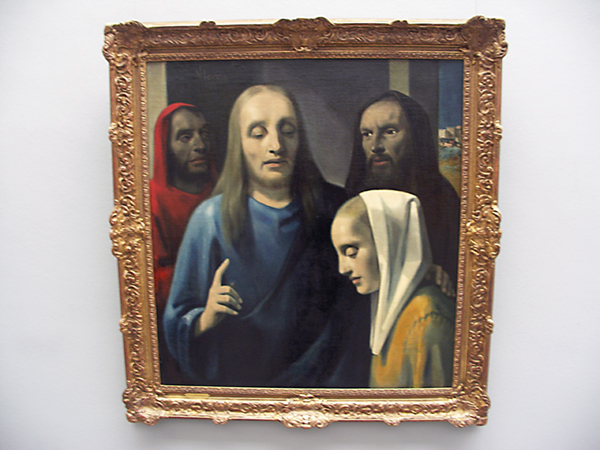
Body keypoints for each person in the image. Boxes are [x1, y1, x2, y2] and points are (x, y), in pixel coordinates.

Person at [163, 85, 369, 387]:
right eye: (258, 134)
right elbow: (176, 321)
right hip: (244, 388)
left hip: (327, 385)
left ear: (300, 139)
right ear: (239, 144)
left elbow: (366, 301)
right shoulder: (209, 220)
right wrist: (205, 318)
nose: (276, 145)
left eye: (287, 131)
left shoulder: (336, 209)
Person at [331, 190, 455, 388]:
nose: (342, 269)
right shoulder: (387, 310)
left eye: (352, 252)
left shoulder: (428, 319)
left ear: (388, 243)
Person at [346, 91, 460, 292]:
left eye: (390, 132)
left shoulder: (443, 198)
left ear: (415, 136)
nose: (375, 146)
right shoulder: (350, 201)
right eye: (367, 134)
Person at [150, 103, 218, 384]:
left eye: (204, 134)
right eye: (185, 137)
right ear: (165, 146)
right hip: (178, 325)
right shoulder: (152, 200)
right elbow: (153, 277)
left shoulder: (221, 192)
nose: (200, 145)